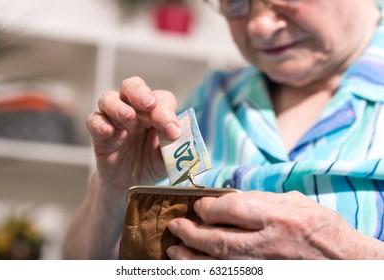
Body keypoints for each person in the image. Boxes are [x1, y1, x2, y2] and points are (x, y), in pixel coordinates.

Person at [63, 0, 384, 259]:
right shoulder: (215, 97)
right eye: (233, 3)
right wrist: (113, 189)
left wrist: (350, 253)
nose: (258, 25)